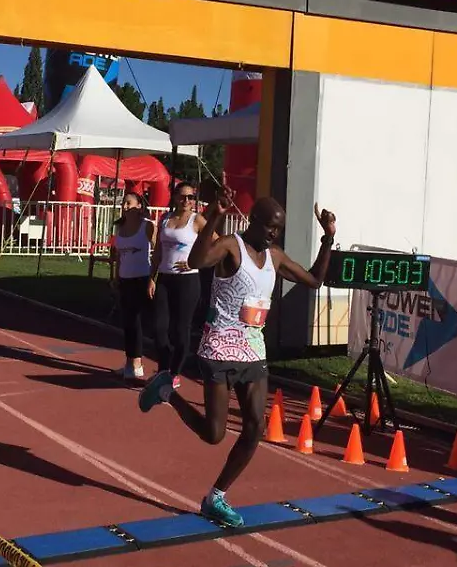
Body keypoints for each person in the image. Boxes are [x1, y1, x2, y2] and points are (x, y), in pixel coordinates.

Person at [139, 192, 336, 528]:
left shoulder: (274, 257)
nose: (274, 233)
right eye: (270, 226)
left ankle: (216, 497)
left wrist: (328, 239)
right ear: (254, 221)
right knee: (214, 434)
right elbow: (198, 260)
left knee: (256, 427)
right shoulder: (232, 246)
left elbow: (314, 280)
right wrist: (213, 215)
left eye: (279, 229)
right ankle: (166, 391)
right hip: (219, 347)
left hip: (253, 350)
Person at [149, 181, 212, 388]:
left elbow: (217, 244)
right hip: (165, 279)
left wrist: (196, 262)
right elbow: (158, 251)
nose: (186, 201)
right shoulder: (165, 219)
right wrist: (151, 277)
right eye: (182, 196)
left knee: (180, 329)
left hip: (188, 280)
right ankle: (163, 369)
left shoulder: (197, 220)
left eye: (190, 197)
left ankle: (174, 372)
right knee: (159, 328)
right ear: (175, 197)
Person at [110, 192, 155, 379]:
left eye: (129, 203)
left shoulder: (147, 226)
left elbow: (159, 250)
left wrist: (153, 277)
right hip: (125, 279)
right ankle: (130, 362)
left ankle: (137, 364)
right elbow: (119, 256)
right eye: (123, 203)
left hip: (142, 278)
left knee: (136, 322)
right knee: (128, 322)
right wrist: (116, 277)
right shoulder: (120, 228)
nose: (125, 206)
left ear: (139, 206)